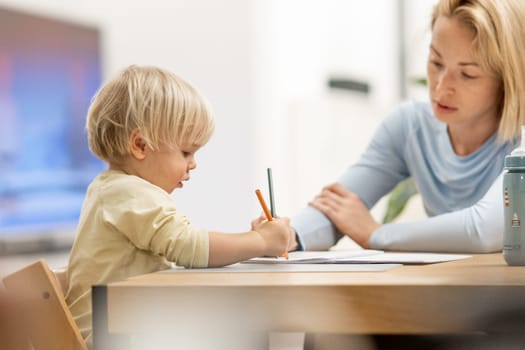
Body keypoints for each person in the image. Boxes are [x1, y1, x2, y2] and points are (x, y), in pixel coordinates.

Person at [65, 65, 291, 347]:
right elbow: (189, 247)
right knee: (245, 326)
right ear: (140, 145)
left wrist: (258, 240)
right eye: (186, 152)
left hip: (122, 328)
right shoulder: (129, 193)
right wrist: (260, 241)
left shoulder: (111, 189)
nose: (193, 163)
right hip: (113, 337)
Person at [290, 0, 525, 254]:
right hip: (450, 288)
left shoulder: (520, 139)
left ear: (507, 80)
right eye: (436, 63)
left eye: (467, 74)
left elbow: (485, 231)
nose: (440, 87)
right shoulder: (409, 126)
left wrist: (376, 234)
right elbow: (338, 206)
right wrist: (287, 235)